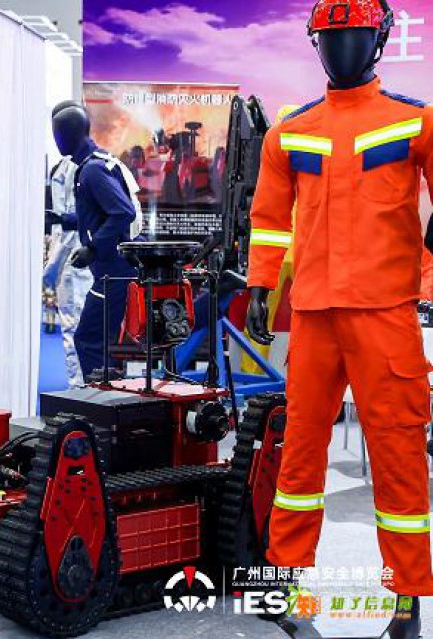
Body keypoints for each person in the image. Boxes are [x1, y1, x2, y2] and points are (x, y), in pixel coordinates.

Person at [245, 1, 433, 635]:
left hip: (386, 315)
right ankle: (285, 589)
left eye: (353, 36)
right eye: (330, 38)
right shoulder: (289, 132)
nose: (341, 48)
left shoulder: (417, 121)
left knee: (399, 458)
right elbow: (270, 220)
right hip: (315, 318)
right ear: (315, 44)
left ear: (379, 40)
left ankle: (405, 604)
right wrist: (261, 285)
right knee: (298, 455)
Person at [51, 100, 140, 379]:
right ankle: (105, 394)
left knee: (88, 340)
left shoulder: (92, 170)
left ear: (67, 135)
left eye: (57, 133)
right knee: (97, 341)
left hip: (114, 273)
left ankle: (101, 398)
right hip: (114, 271)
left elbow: (123, 212)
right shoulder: (95, 164)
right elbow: (101, 215)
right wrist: (64, 219)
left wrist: (92, 247)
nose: (55, 140)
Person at [44, 156, 93, 387]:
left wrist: (50, 268)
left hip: (75, 260)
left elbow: (66, 228)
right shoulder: (71, 168)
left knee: (75, 327)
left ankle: (80, 387)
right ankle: (81, 386)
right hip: (77, 259)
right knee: (76, 328)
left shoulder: (75, 169)